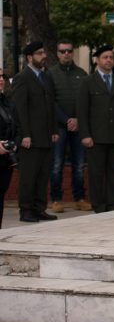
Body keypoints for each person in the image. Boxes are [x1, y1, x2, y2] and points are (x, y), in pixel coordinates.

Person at [77, 45, 114, 213]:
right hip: (96, 137)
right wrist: (85, 135)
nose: (108, 60)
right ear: (97, 60)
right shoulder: (88, 82)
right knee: (96, 174)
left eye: (111, 57)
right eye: (105, 57)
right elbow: (82, 111)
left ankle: (111, 204)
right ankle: (98, 206)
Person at [12, 41, 59, 223]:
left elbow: (51, 106)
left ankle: (39, 208)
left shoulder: (46, 77)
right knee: (28, 176)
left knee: (42, 175)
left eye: (43, 52)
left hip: (46, 136)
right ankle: (26, 210)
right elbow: (20, 109)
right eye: (39, 53)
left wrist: (54, 129)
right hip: (30, 138)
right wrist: (25, 134)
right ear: (29, 57)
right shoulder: (22, 78)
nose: (43, 56)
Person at [48, 40, 90, 213]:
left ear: (73, 53)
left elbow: (86, 101)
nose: (66, 54)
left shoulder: (82, 74)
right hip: (59, 126)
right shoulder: (50, 74)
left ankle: (79, 198)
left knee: (79, 165)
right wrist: (67, 120)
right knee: (56, 164)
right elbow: (51, 101)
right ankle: (56, 199)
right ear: (57, 54)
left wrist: (78, 120)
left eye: (69, 51)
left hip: (78, 126)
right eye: (62, 51)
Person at [0, 70, 20, 228]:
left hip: (6, 159)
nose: (1, 80)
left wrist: (14, 143)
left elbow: (18, 127)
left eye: (2, 77)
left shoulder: (8, 103)